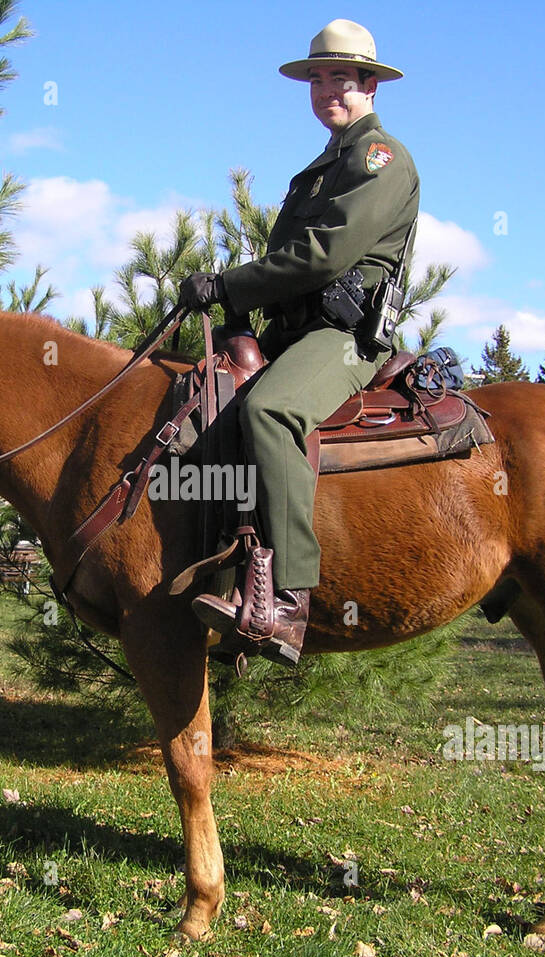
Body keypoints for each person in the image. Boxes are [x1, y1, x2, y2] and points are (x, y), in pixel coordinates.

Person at [180, 19, 419, 666]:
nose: (325, 90)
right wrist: (238, 319)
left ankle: (286, 601)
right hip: (294, 330)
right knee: (213, 410)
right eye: (316, 78)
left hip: (344, 337)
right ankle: (228, 584)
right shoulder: (317, 171)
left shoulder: (381, 160)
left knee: (269, 410)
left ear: (370, 84)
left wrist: (229, 286)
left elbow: (326, 255)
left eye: (340, 77)